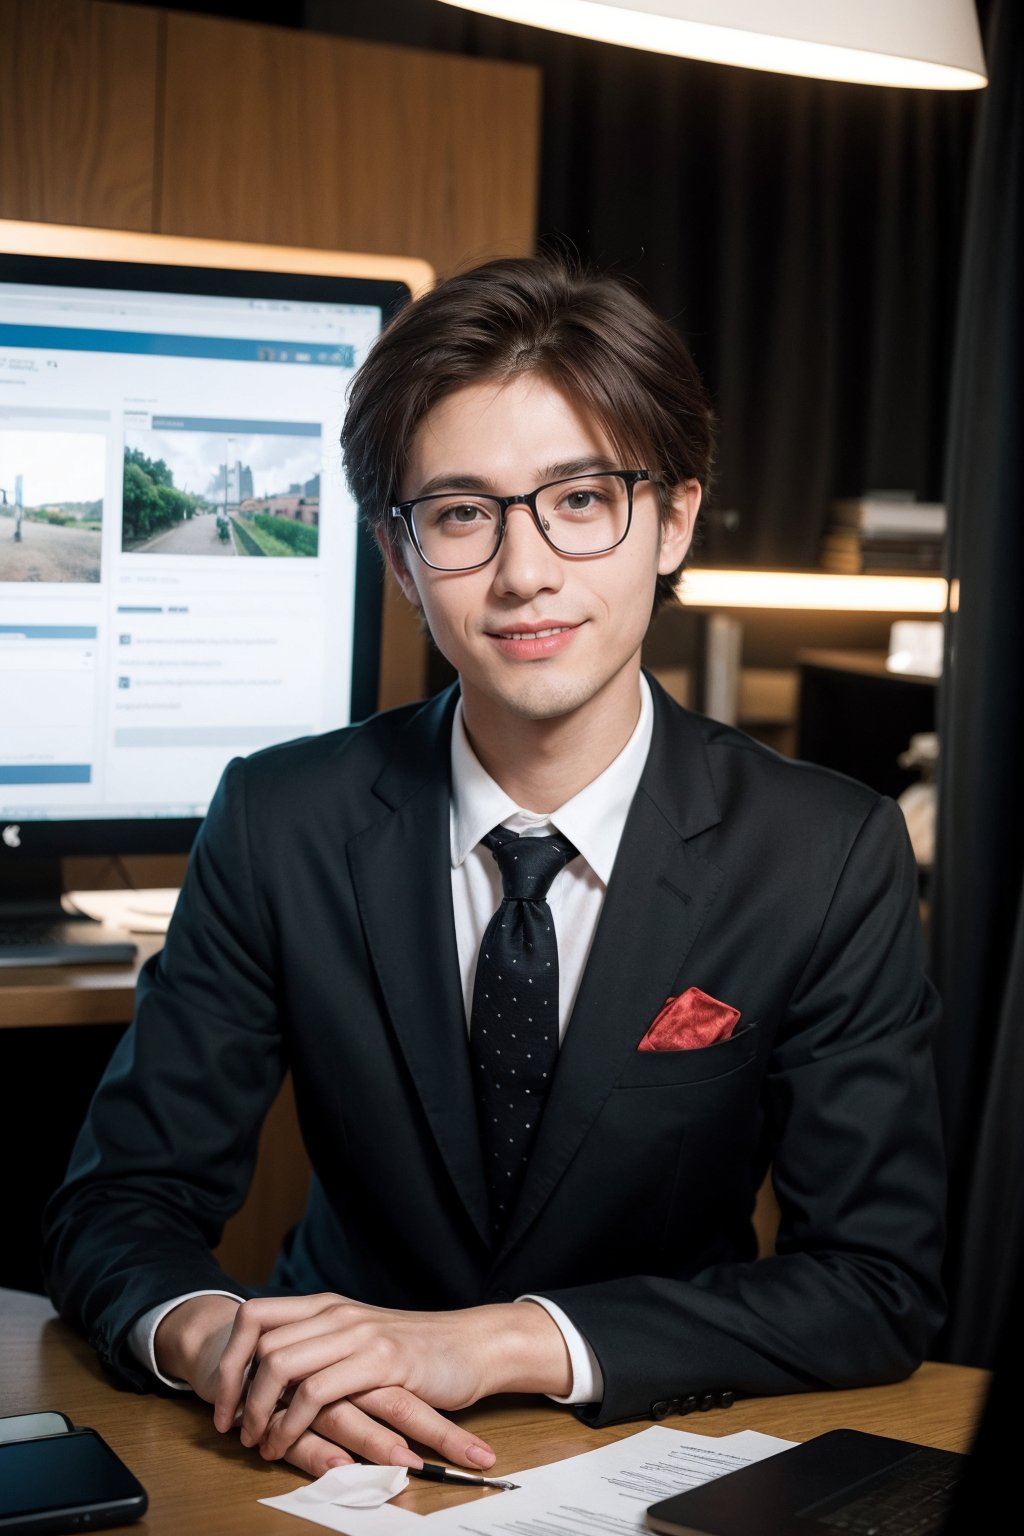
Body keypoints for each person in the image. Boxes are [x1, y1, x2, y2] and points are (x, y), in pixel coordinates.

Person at [41, 252, 946, 1481]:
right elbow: (118, 1204)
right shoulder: (279, 816)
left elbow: (874, 1284)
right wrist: (220, 1342)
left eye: (581, 500)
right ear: (400, 557)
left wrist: (499, 1344)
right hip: (327, 1448)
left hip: (652, 1438)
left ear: (673, 519)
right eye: (462, 514)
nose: (525, 572)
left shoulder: (824, 851)